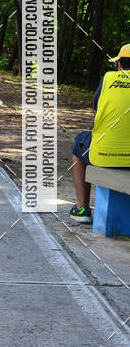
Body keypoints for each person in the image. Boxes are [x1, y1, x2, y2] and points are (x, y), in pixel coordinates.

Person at [70, 45, 130, 222]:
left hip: (104, 154)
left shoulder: (108, 78)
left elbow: (97, 112)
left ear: (119, 64)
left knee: (79, 143)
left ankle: (82, 209)